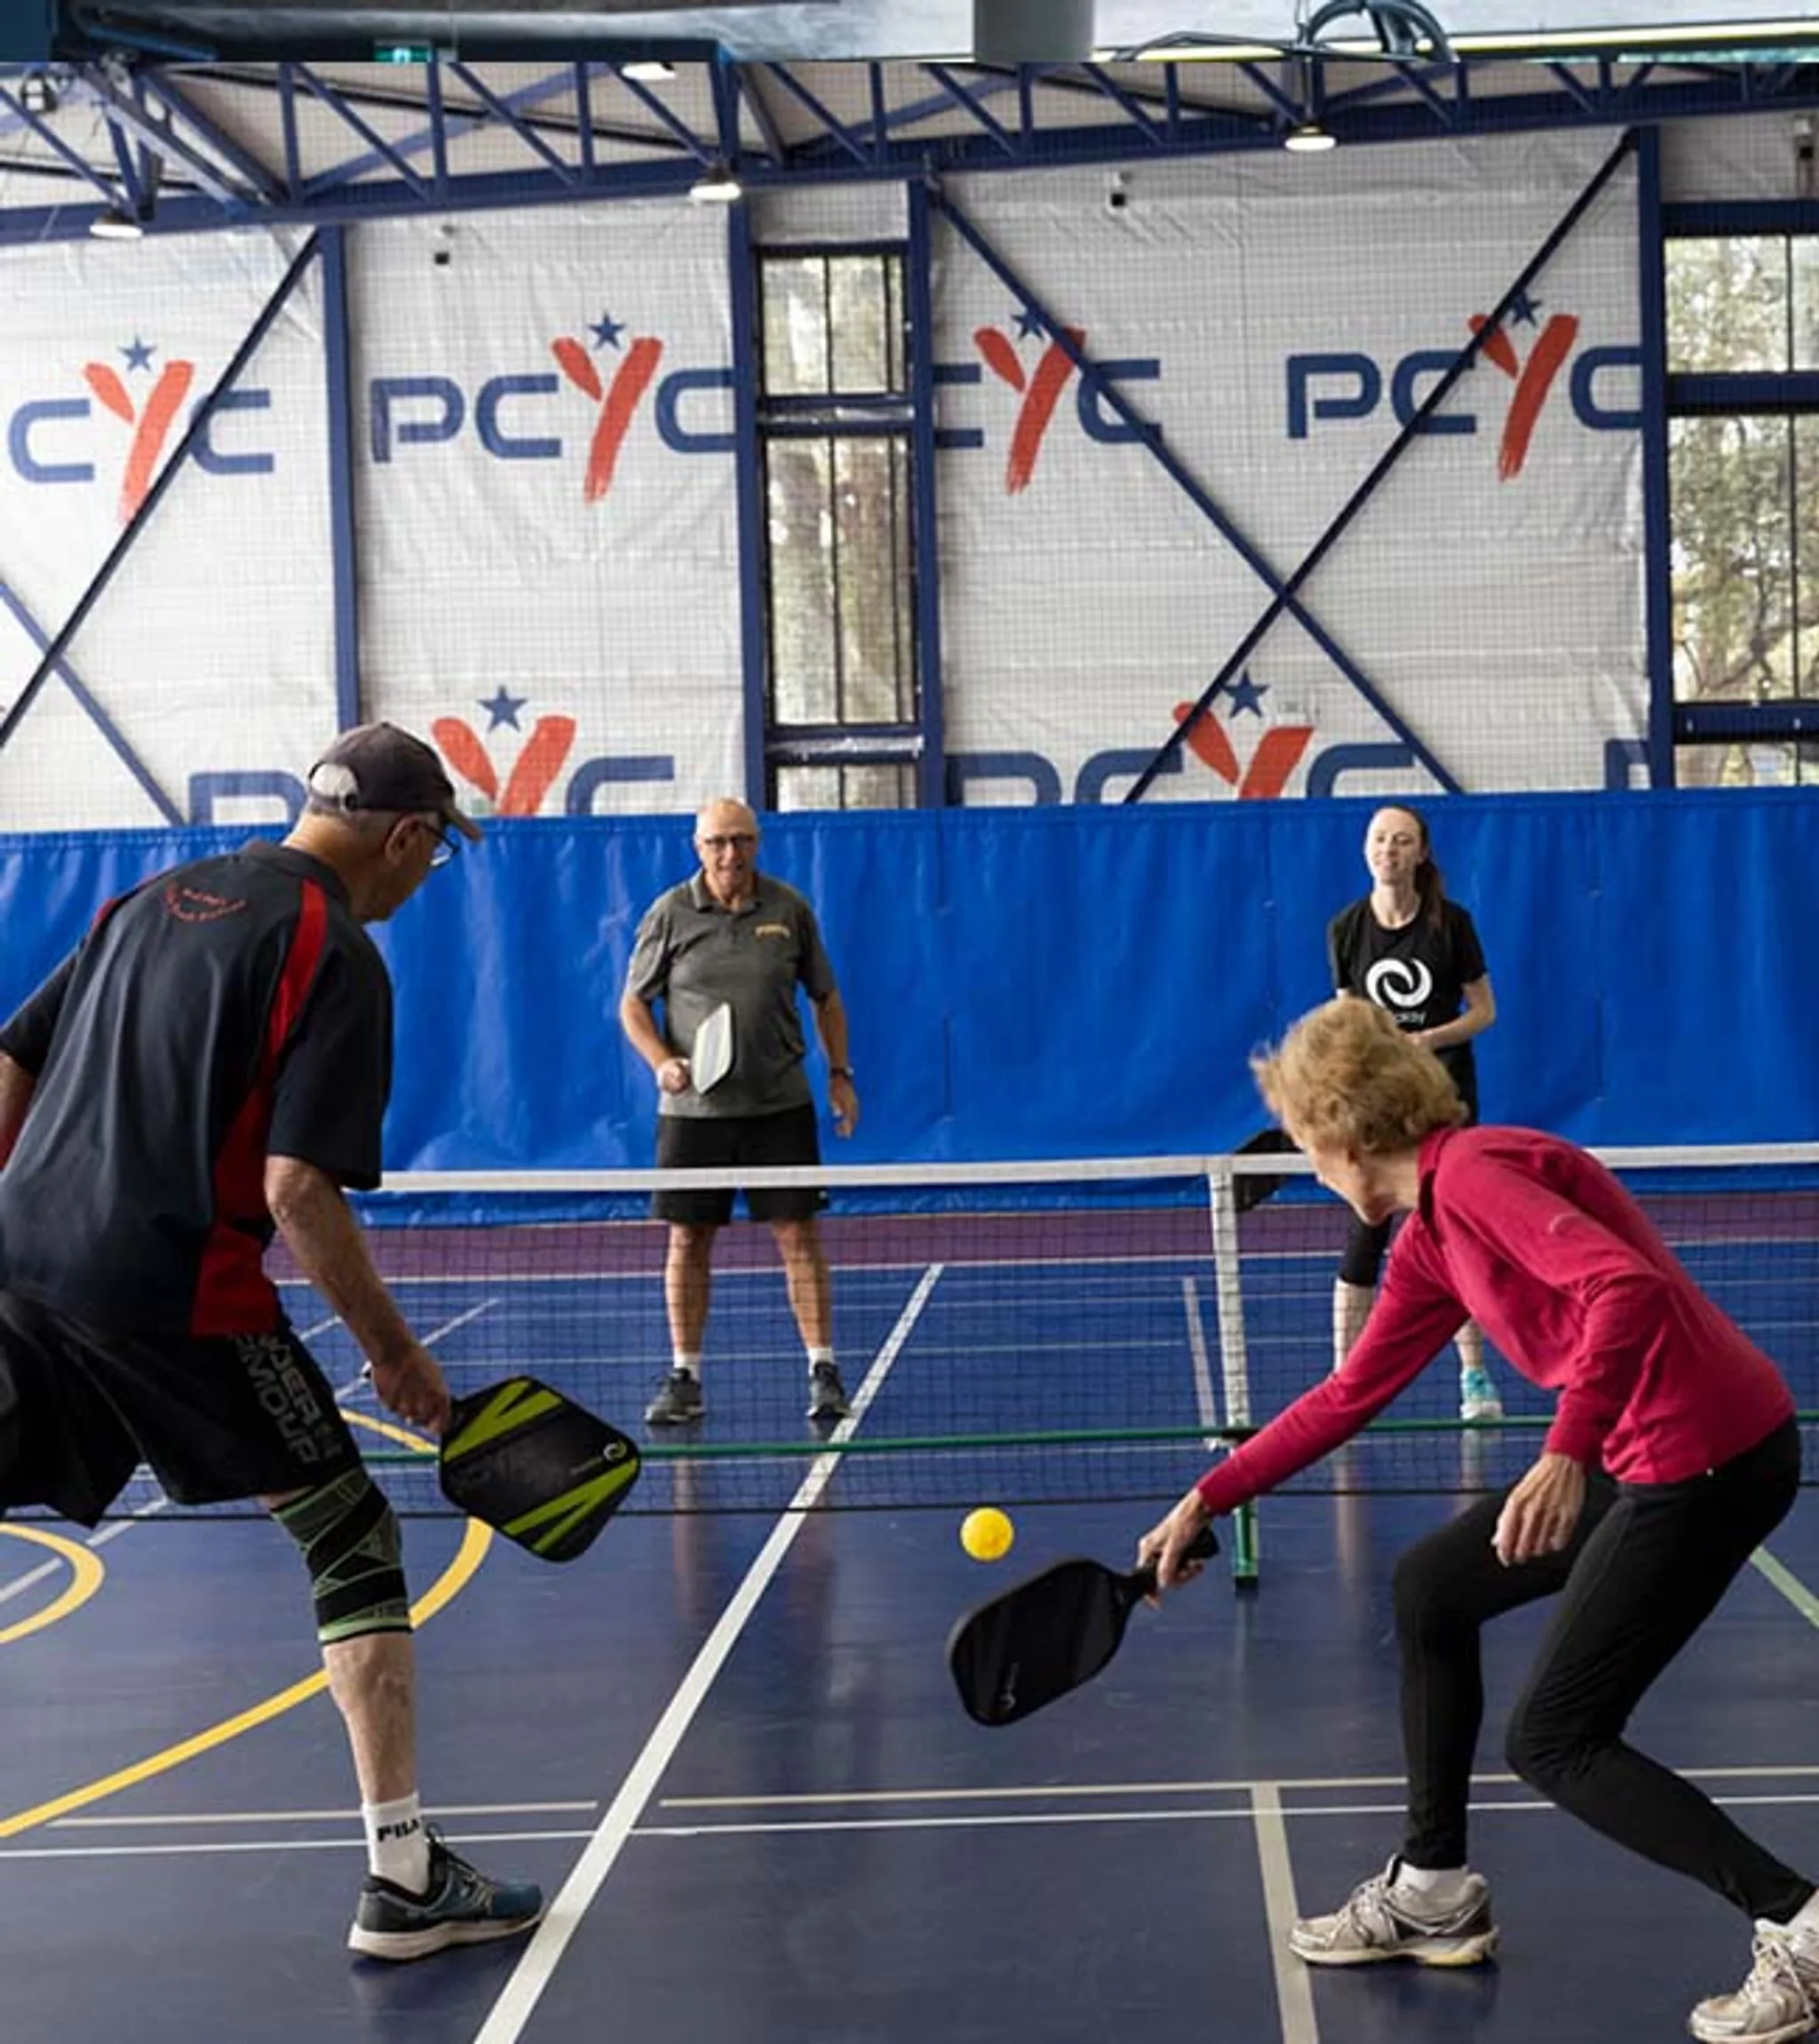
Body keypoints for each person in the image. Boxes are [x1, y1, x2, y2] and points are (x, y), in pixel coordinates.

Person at [1138, 997, 1814, 2044]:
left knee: (1554, 1739)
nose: (1306, 1165)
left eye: (1303, 1140)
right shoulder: (1429, 1238)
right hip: (1649, 1450)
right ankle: (1432, 1886)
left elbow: (1623, 1288)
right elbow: (1346, 1395)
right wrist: (1208, 1495)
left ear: (1343, 1133)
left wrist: (1563, 1449)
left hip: (1703, 1457)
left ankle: (1798, 1922)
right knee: (1431, 1589)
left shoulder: (1474, 1176)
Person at [0, 722, 543, 1963]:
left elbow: (13, 1054)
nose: (426, 877)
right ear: (405, 837)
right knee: (350, 1532)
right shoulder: (331, 950)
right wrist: (395, 1355)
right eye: (434, 854)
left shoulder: (149, 899)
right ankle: (405, 1878)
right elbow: (297, 1188)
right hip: (177, 1293)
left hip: (24, 1263)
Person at [619, 797, 859, 1428]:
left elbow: (826, 997)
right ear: (698, 847)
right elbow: (633, 1005)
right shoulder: (670, 913)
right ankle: (685, 1376)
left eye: (742, 840)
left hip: (779, 1103)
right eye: (718, 842)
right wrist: (661, 1062)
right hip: (692, 1112)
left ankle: (823, 1369)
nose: (731, 854)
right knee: (688, 1238)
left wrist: (840, 1074)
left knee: (797, 1234)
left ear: (757, 843)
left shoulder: (788, 908)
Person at [1328, 804, 1502, 1422]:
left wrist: (1426, 1041)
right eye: (1379, 839)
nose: (1389, 850)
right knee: (1367, 1227)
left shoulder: (1451, 924)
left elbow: (1485, 1012)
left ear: (1421, 853)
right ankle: (1343, 1381)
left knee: (1451, 1231)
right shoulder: (1346, 928)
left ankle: (1474, 1376)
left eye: (1402, 841)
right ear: (1365, 848)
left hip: (1445, 1098)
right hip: (1380, 1101)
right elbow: (1349, 1020)